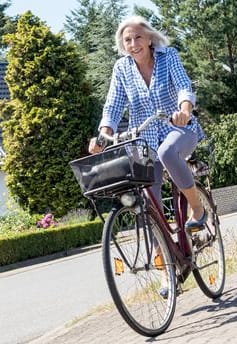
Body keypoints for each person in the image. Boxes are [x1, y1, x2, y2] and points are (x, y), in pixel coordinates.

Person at [88, 15, 206, 232]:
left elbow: (183, 86)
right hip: (143, 139)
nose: (133, 44)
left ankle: (197, 207)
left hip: (178, 128)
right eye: (128, 40)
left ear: (150, 39)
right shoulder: (121, 68)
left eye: (138, 37)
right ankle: (164, 256)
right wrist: (103, 136)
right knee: (147, 197)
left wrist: (184, 111)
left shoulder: (168, 56)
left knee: (167, 152)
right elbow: (113, 105)